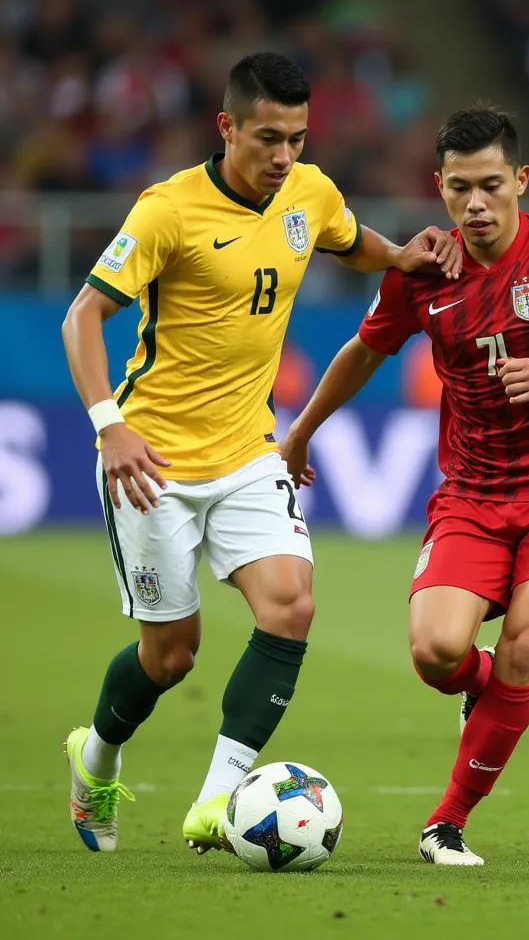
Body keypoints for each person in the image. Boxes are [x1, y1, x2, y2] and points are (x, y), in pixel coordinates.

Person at [60, 52, 462, 856]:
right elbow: (82, 318)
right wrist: (110, 425)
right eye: (269, 137)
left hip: (251, 449)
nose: (284, 156)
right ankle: (94, 760)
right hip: (155, 463)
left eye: (299, 139)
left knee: (292, 605)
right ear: (228, 127)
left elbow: (346, 239)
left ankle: (217, 802)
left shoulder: (307, 191)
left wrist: (401, 258)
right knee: (170, 657)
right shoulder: (166, 210)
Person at [280, 105, 529, 865]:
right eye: (458, 190)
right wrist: (302, 428)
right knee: (437, 653)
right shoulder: (426, 271)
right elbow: (363, 349)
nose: (474, 205)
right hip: (476, 490)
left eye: (489, 186)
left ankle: (446, 822)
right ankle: (496, 693)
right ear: (438, 187)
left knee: (526, 643)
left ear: (520, 180)